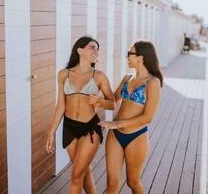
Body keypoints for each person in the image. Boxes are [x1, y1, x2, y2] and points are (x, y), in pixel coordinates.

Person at [46, 36, 115, 194]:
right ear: (80, 50)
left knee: (76, 175)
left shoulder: (99, 76)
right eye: (92, 47)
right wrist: (51, 132)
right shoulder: (64, 74)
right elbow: (60, 106)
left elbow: (112, 103)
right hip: (70, 127)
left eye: (97, 49)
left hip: (89, 128)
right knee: (84, 172)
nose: (96, 51)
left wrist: (100, 102)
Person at [98, 41, 163, 194]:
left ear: (140, 57)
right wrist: (98, 101)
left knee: (132, 182)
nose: (127, 57)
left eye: (130, 54)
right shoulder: (127, 78)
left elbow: (148, 117)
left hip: (136, 136)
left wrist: (117, 123)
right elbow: (113, 102)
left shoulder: (152, 82)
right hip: (115, 135)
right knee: (112, 183)